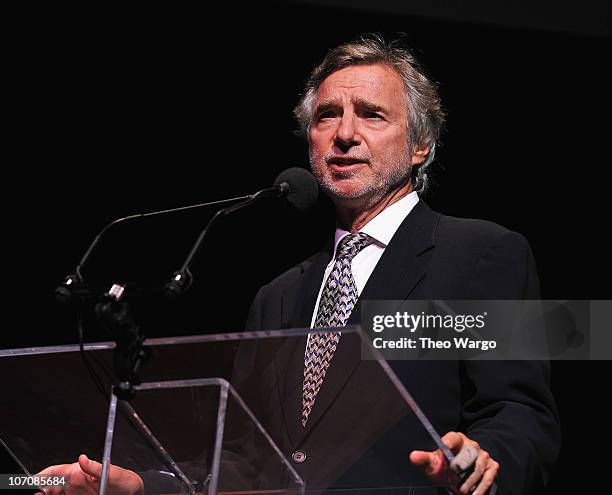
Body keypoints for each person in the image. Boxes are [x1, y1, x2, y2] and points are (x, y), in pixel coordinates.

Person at [37, 35, 560, 495]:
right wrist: (144, 487)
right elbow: (248, 457)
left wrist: (481, 462)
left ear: (421, 144)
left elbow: (520, 414)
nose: (345, 134)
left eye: (372, 115)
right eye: (326, 115)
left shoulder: (483, 253)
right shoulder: (278, 295)